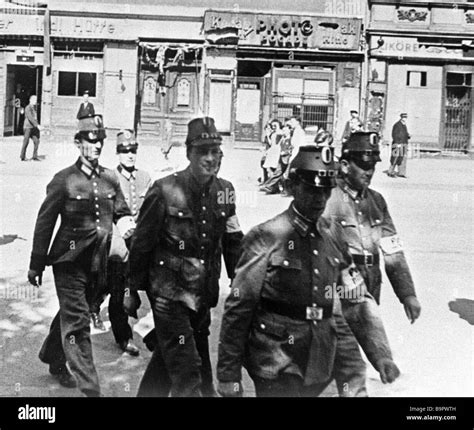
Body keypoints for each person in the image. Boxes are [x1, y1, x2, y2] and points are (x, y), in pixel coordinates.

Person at [217, 145, 400, 398]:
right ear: (292, 187)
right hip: (276, 360)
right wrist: (228, 374)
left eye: (325, 191)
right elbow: (239, 307)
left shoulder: (333, 234)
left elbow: (355, 298)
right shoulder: (265, 236)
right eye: (311, 190)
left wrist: (381, 355)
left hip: (319, 358)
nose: (319, 199)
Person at [124, 117, 243, 397]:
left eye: (216, 152)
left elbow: (232, 240)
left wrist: (240, 281)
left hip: (202, 295)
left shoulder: (225, 191)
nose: (210, 159)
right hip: (169, 295)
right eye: (203, 152)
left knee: (169, 361)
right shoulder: (164, 189)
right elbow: (142, 244)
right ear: (189, 153)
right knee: (187, 372)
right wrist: (131, 289)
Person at [27, 115, 135, 397]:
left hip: (98, 264)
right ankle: (91, 389)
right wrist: (36, 264)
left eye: (100, 139)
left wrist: (129, 233)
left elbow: (122, 213)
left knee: (71, 313)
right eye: (90, 139)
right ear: (78, 142)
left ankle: (53, 356)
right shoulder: (64, 180)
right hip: (68, 263)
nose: (96, 144)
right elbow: (45, 222)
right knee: (78, 323)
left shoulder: (110, 178)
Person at [323, 132, 420, 392]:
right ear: (345, 165)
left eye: (374, 166)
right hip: (337, 283)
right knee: (342, 355)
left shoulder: (376, 201)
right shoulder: (328, 198)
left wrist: (407, 294)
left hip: (370, 278)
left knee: (353, 347)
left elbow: (392, 249)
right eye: (364, 166)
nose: (370, 172)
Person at [89, 129, 152, 356]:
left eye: (133, 150)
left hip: (139, 244)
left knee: (131, 289)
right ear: (118, 154)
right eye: (125, 151)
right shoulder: (110, 179)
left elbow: (150, 211)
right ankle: (123, 336)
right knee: (116, 291)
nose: (130, 155)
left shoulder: (145, 178)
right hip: (116, 244)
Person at [386, 113, 410, 178]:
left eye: (405, 118)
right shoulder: (397, 125)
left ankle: (401, 173)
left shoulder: (404, 125)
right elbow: (394, 135)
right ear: (401, 118)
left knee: (402, 158)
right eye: (403, 117)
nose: (404, 119)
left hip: (404, 143)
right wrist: (397, 143)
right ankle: (390, 172)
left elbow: (404, 134)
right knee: (394, 158)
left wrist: (408, 135)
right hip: (397, 144)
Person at [20, 95, 41, 161]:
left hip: (33, 128)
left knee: (36, 141)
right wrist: (37, 125)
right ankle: (22, 156)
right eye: (34, 100)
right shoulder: (27, 108)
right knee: (26, 141)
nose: (35, 101)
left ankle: (34, 157)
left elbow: (35, 118)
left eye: (36, 100)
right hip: (28, 127)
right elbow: (30, 118)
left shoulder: (34, 108)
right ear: (30, 100)